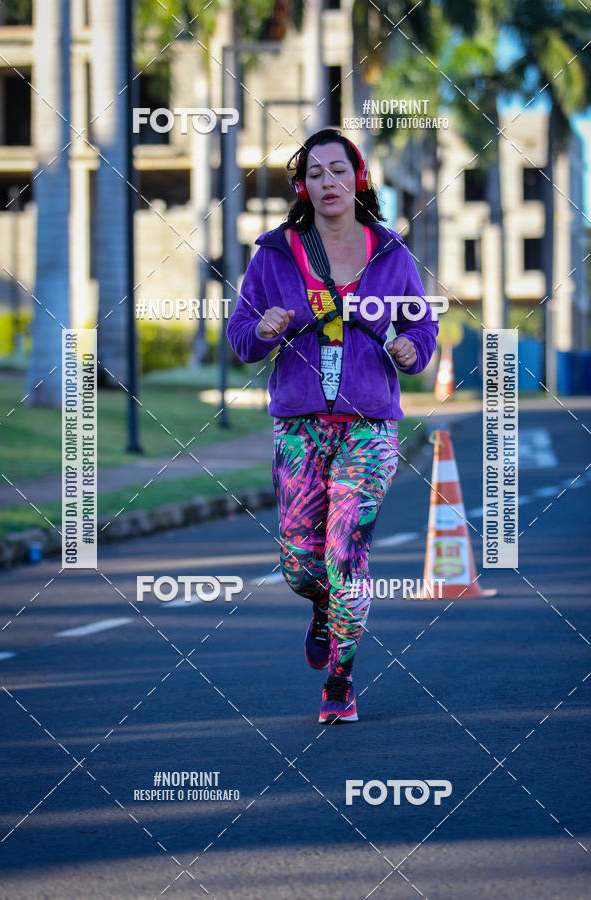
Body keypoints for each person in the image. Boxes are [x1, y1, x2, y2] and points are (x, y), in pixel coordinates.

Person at [226, 128, 439, 724]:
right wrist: (264, 328)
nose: (328, 183)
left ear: (359, 177)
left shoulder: (391, 253)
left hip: (369, 428)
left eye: (338, 170)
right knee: (301, 564)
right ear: (302, 186)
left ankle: (340, 681)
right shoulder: (274, 252)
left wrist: (409, 351)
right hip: (298, 427)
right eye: (315, 173)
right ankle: (322, 607)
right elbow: (241, 337)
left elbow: (423, 333)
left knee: (347, 554)